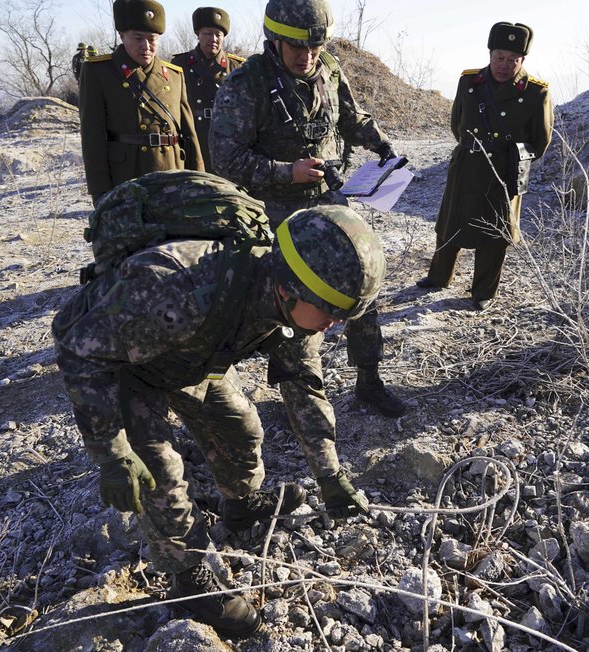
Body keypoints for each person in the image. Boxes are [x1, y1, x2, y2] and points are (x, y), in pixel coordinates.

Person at [53, 196, 382, 638]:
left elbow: (304, 384)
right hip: (125, 369)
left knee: (242, 429)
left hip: (190, 359)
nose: (333, 325)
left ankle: (241, 505)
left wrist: (329, 473)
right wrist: (111, 452)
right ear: (290, 286)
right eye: (331, 313)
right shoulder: (178, 286)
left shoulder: (295, 309)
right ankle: (188, 579)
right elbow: (79, 351)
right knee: (161, 474)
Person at [209, 0, 407, 417]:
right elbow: (225, 158)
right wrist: (287, 172)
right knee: (295, 311)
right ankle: (298, 395)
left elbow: (351, 118)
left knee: (364, 288)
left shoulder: (329, 70)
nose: (308, 57)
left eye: (315, 48)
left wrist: (381, 144)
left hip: (331, 205)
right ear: (275, 41)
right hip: (273, 216)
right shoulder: (247, 84)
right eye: (299, 48)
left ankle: (369, 380)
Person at [415, 22, 553, 311]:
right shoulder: (469, 82)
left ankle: (483, 292)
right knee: (450, 222)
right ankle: (439, 276)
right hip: (468, 163)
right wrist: (474, 150)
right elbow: (457, 124)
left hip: (504, 171)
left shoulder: (536, 93)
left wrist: (510, 157)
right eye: (499, 57)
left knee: (495, 233)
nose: (504, 65)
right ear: (490, 55)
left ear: (522, 60)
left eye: (512, 60)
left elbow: (540, 141)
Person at [78, 0, 203, 206]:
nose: (146, 46)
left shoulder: (173, 75)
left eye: (152, 39)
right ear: (122, 35)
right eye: (138, 38)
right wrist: (99, 192)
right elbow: (92, 138)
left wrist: (199, 179)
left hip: (172, 172)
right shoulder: (99, 72)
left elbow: (189, 135)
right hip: (127, 176)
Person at [171, 7, 245, 171]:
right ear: (198, 34)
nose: (213, 39)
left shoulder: (237, 67)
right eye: (208, 33)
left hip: (228, 139)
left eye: (218, 35)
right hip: (194, 138)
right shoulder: (179, 64)